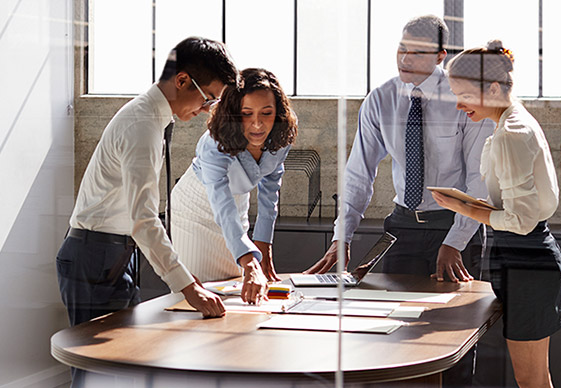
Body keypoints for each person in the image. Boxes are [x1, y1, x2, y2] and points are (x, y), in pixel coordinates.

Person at [56, 36, 237, 329]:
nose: (207, 109)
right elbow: (144, 219)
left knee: (118, 366)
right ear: (181, 80)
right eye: (209, 98)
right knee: (96, 368)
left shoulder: (152, 119)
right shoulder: (142, 126)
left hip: (112, 253)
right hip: (95, 256)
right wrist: (189, 288)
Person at [305, 15, 494, 283]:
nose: (405, 59)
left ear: (440, 56)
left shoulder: (464, 99)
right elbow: (359, 174)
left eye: (417, 53)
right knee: (396, 313)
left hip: (454, 224)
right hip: (403, 227)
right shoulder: (381, 100)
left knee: (453, 319)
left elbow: (479, 178)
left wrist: (456, 241)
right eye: (402, 49)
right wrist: (342, 237)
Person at [434, 40, 561, 388]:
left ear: (492, 88)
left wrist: (464, 208)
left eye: (463, 93)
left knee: (531, 380)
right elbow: (513, 207)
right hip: (524, 256)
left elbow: (521, 221)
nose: (458, 103)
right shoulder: (510, 123)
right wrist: (468, 204)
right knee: (535, 379)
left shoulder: (511, 133)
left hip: (528, 259)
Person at [171, 68, 298, 304]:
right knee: (200, 298)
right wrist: (249, 259)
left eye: (266, 113)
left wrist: (263, 244)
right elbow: (220, 202)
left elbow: (271, 186)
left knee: (237, 293)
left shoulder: (281, 134)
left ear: (278, 112)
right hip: (196, 209)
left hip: (237, 205)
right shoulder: (214, 142)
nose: (257, 124)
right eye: (247, 113)